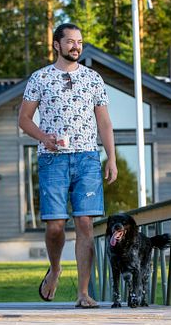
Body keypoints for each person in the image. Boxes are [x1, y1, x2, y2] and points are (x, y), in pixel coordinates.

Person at [19, 23, 117, 308]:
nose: (76, 46)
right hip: (53, 160)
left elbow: (105, 122)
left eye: (79, 42)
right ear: (56, 45)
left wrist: (110, 157)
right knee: (54, 227)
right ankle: (56, 268)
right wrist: (44, 138)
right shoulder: (40, 78)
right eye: (70, 41)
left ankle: (83, 293)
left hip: (87, 158)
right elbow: (24, 120)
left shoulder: (93, 79)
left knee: (85, 224)